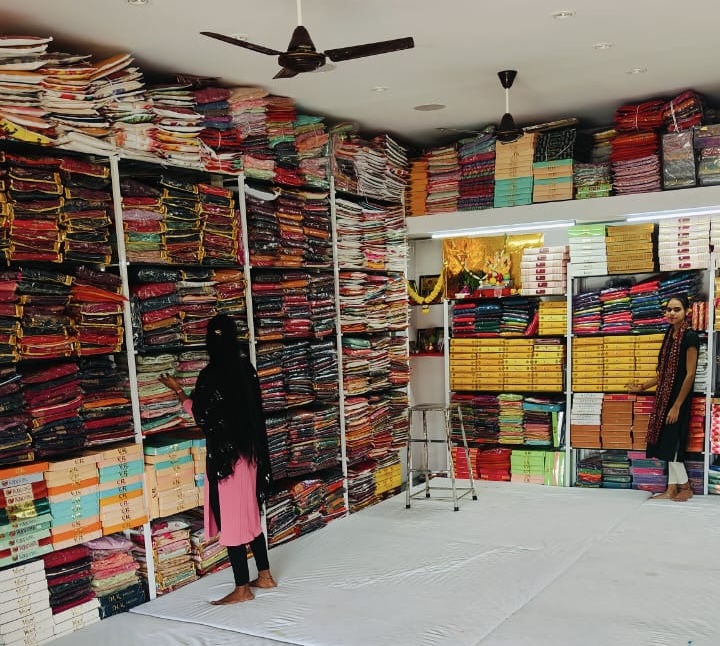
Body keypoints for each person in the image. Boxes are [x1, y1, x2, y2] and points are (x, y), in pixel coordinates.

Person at [159, 314, 276, 603]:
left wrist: (178, 391)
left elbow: (203, 416)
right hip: (250, 455)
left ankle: (242, 588)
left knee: (233, 521)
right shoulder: (246, 369)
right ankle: (264, 575)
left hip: (227, 460)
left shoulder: (211, 375)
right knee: (250, 515)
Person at [628, 294, 698, 502]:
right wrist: (642, 387)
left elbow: (690, 374)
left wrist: (677, 405)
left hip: (679, 398)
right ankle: (671, 489)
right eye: (669, 309)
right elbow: (664, 374)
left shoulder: (690, 337)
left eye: (677, 309)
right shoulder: (670, 335)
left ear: (687, 311)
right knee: (667, 444)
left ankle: (685, 487)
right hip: (664, 398)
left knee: (673, 443)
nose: (672, 313)